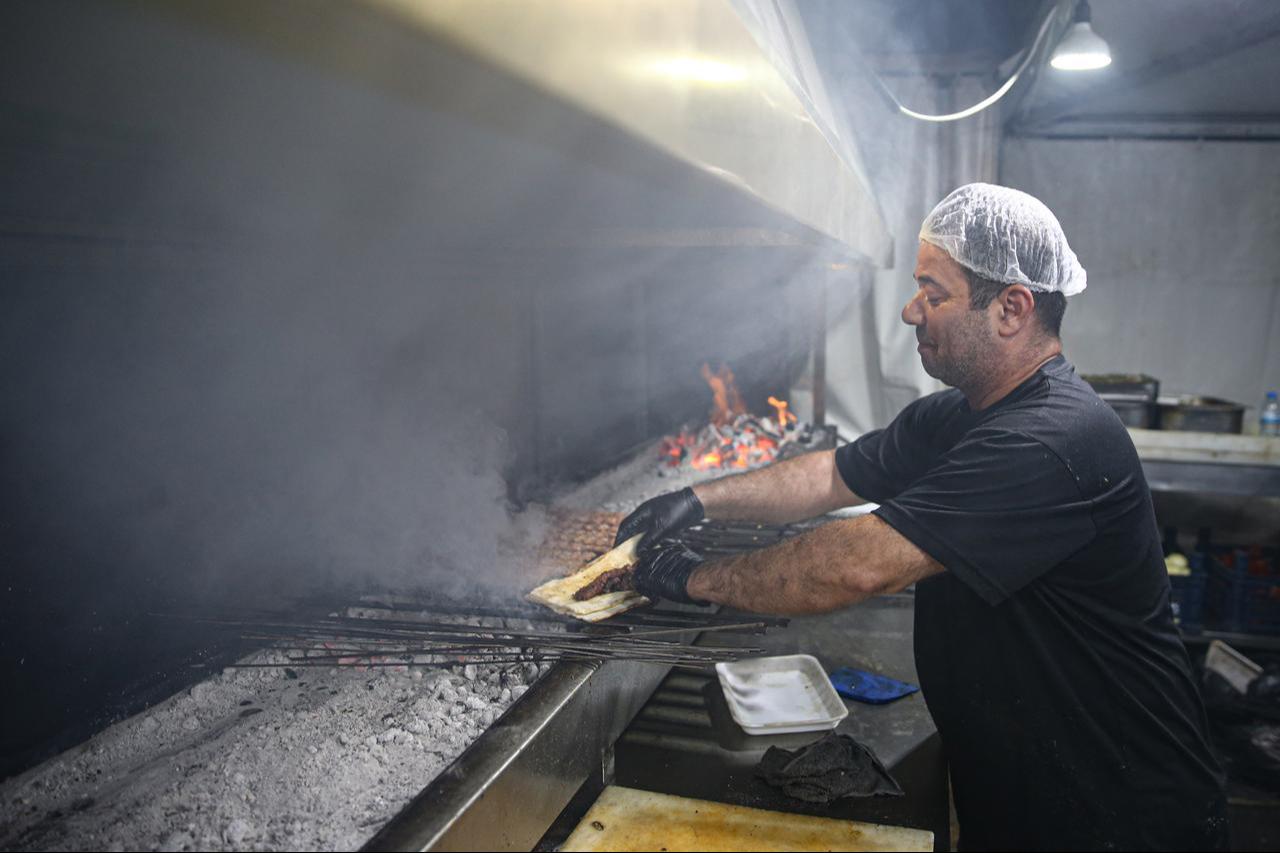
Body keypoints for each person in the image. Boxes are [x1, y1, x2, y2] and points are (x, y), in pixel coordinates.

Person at [617, 184, 1228, 851]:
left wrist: (693, 577)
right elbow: (830, 472)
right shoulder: (960, 414)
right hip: (1019, 788)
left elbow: (859, 564)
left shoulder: (1053, 438)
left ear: (1011, 309)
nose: (911, 310)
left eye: (934, 293)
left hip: (1116, 812)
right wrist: (698, 499)